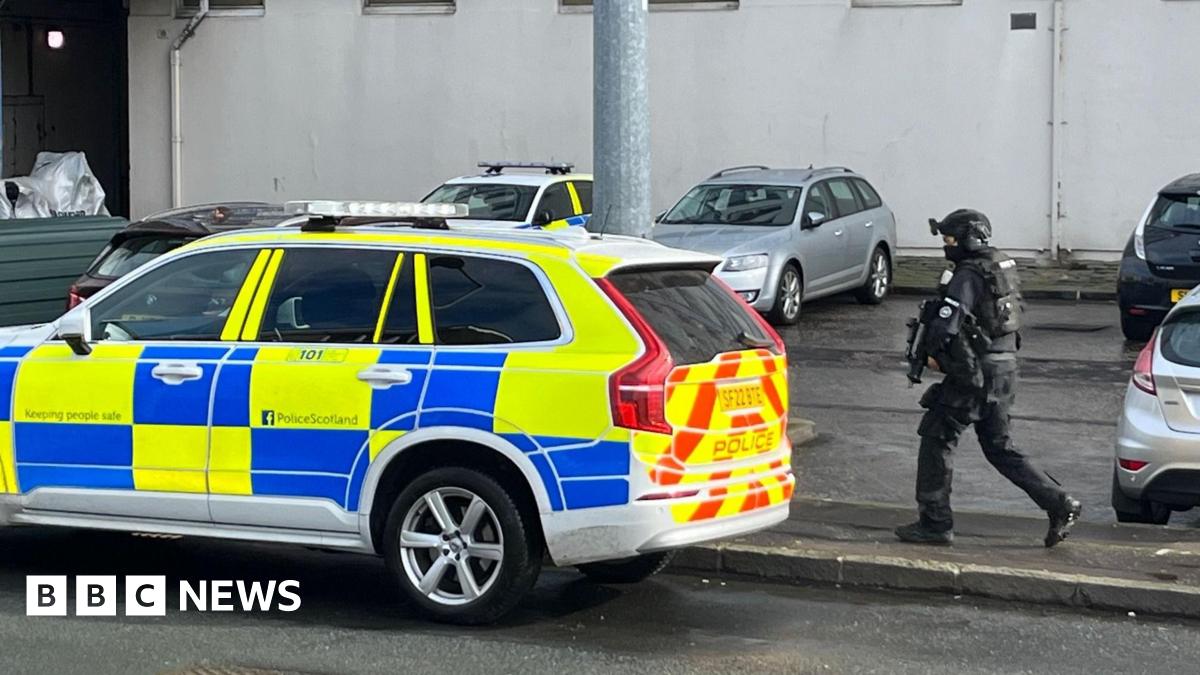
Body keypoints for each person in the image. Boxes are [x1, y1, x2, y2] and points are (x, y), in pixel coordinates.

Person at [895, 209, 1081, 548]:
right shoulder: (1002, 265)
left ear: (969, 238)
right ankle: (1060, 503)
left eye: (950, 240)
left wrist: (935, 357)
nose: (946, 247)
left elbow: (946, 326)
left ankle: (935, 523)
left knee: (937, 437)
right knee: (999, 446)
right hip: (1005, 369)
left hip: (976, 373)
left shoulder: (968, 274)